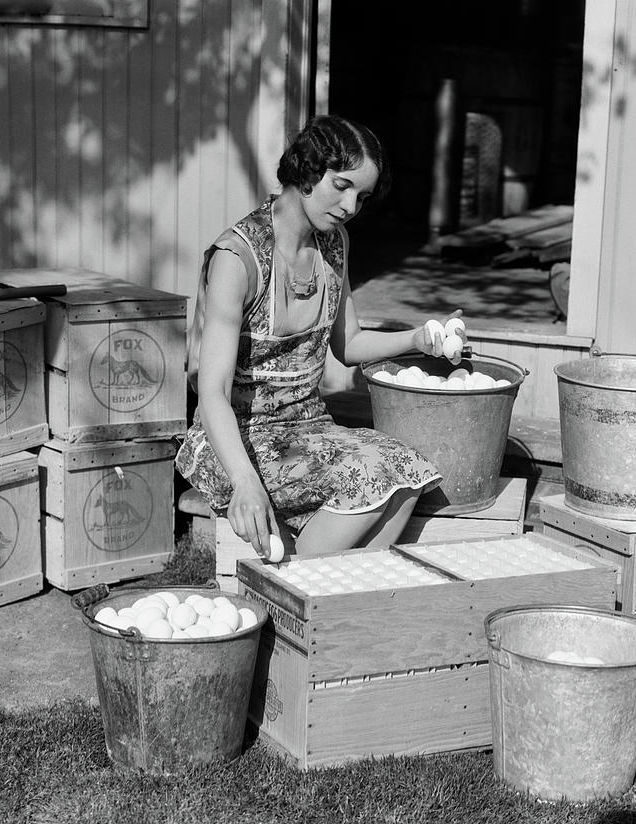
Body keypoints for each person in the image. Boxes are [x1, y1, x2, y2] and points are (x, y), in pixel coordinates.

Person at [176, 114, 467, 560]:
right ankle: (297, 591)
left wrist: (417, 339)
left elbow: (347, 345)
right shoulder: (238, 258)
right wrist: (246, 483)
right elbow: (211, 391)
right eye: (342, 185)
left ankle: (329, 599)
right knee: (370, 475)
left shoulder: (335, 244)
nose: (351, 206)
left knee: (409, 474)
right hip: (235, 438)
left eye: (362, 196)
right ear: (308, 172)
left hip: (308, 427)